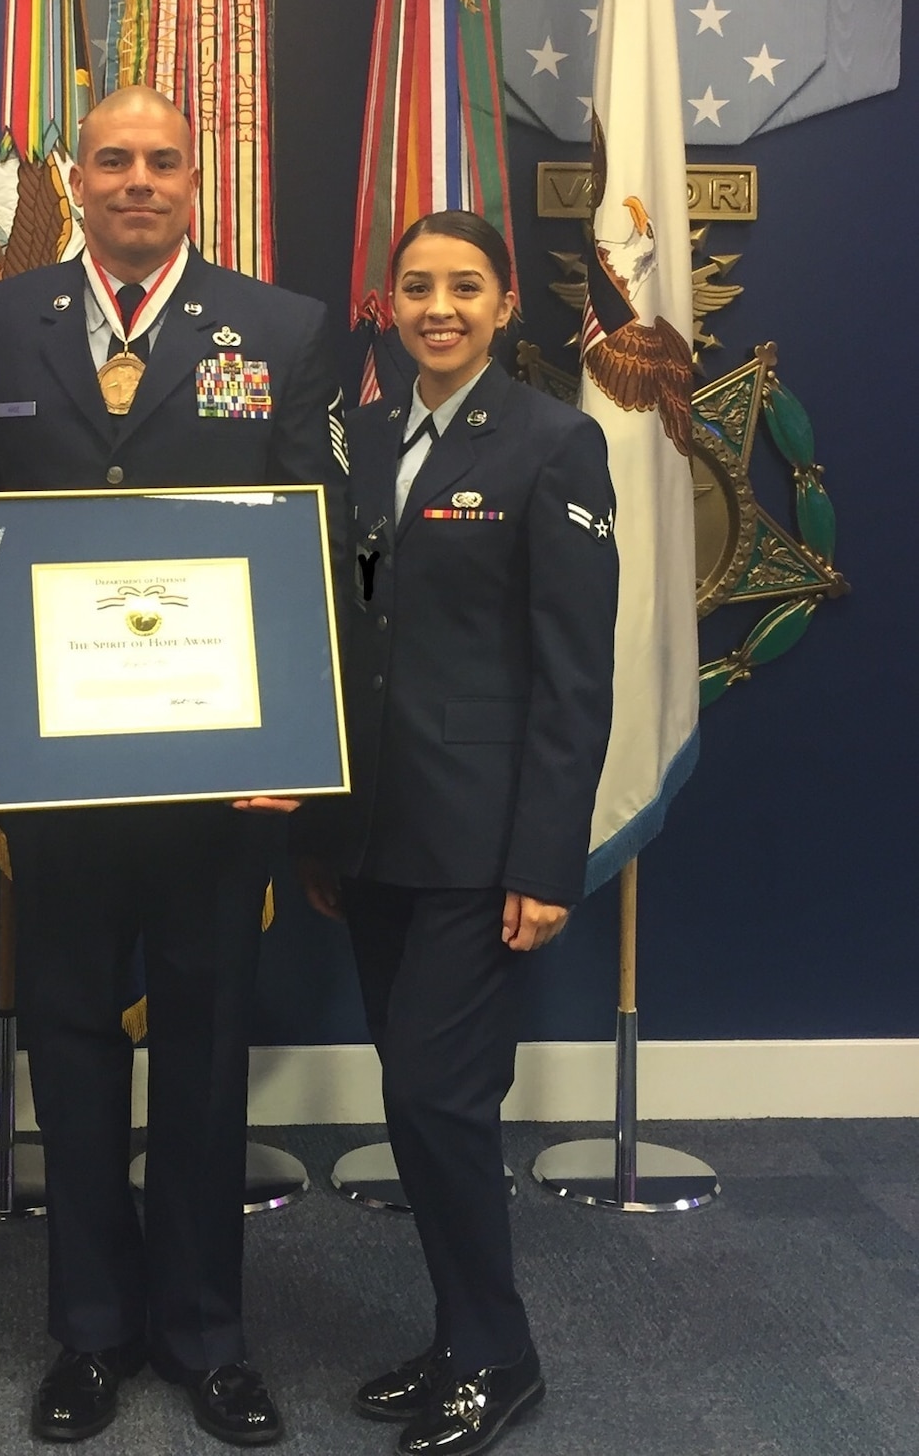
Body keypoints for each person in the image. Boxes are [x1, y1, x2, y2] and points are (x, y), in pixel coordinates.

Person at [0, 86, 349, 1447]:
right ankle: (91, 1332)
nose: (140, 180)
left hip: (222, 782)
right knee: (77, 1046)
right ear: (79, 179)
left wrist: (296, 733)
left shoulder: (278, 329)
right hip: (60, 775)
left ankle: (209, 1335)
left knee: (209, 1057)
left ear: (197, 179)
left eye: (164, 160)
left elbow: (314, 540)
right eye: (115, 160)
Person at [298, 210, 618, 1456]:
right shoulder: (364, 435)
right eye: (418, 285)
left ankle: (501, 1352)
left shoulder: (554, 442)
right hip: (375, 829)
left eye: (465, 286)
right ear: (389, 301)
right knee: (418, 1093)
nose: (440, 305)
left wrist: (548, 857)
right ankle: (456, 1335)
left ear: (502, 305)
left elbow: (571, 672)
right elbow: (348, 626)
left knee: (438, 1096)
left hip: (482, 841)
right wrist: (323, 832)